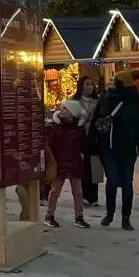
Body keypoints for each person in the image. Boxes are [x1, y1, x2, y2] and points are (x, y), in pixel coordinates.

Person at [94, 70, 139, 230]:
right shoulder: (108, 98)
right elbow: (97, 120)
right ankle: (113, 214)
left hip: (120, 147)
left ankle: (124, 217)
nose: (111, 82)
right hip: (115, 147)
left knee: (124, 182)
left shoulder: (129, 100)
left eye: (114, 80)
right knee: (115, 180)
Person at [45, 92, 91, 228]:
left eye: (65, 108)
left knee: (78, 192)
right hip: (59, 163)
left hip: (75, 162)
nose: (61, 110)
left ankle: (79, 216)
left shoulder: (79, 130)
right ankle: (49, 215)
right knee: (55, 191)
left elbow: (84, 145)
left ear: (73, 113)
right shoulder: (55, 127)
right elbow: (50, 144)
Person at [68, 76, 102, 205]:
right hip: (79, 138)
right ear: (81, 86)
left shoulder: (98, 101)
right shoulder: (74, 101)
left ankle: (94, 196)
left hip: (95, 138)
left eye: (91, 84)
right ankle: (83, 195)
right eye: (87, 84)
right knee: (82, 167)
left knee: (96, 167)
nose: (90, 87)